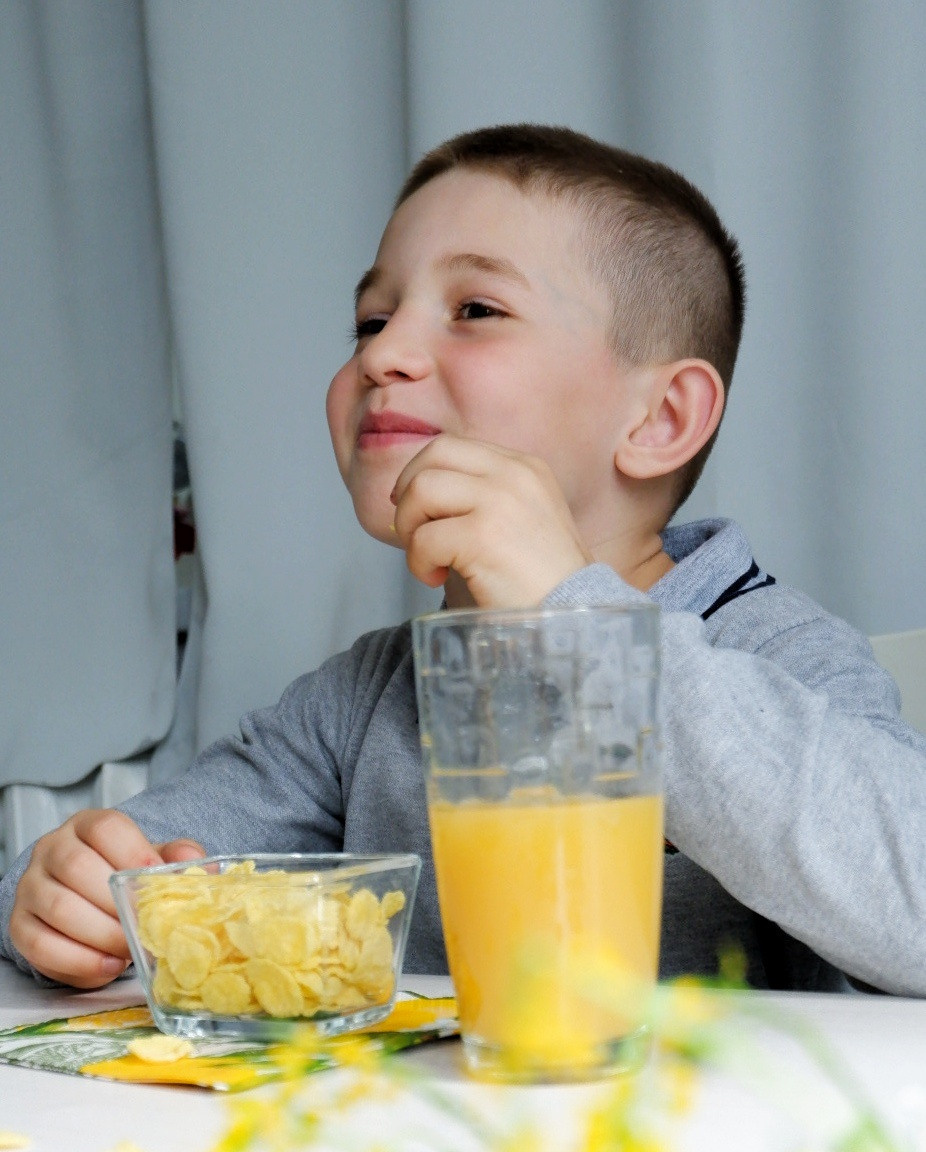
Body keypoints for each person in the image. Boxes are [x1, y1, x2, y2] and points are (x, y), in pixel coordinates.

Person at [3, 123, 926, 995]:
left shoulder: (771, 649)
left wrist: (580, 623)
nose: (385, 354)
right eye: (370, 321)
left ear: (661, 420)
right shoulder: (363, 700)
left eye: (476, 310)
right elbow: (125, 872)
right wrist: (59, 896)